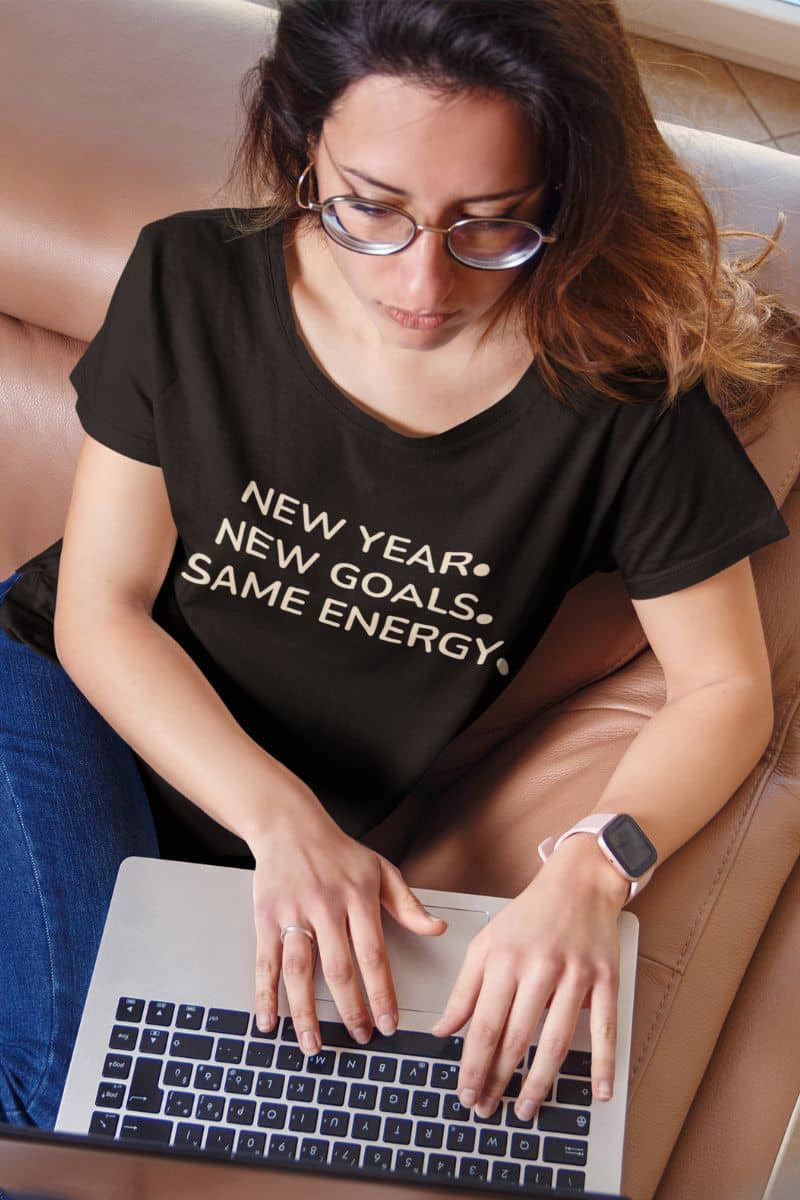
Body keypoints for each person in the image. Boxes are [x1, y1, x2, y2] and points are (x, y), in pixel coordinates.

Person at [1, 0, 797, 1140]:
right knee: (73, 1079)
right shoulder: (191, 280)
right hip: (61, 702)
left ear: (561, 197)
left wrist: (589, 870)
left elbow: (723, 691)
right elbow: (99, 608)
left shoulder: (618, 404)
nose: (421, 282)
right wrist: (283, 821)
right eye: (369, 210)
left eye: (490, 224)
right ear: (300, 140)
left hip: (292, 828)